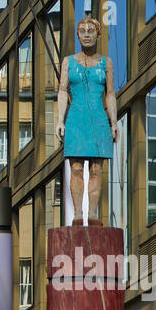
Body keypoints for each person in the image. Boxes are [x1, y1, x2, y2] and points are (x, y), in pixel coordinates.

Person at [55, 15, 119, 225]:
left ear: (98, 34)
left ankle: (92, 214)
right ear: (78, 35)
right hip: (76, 119)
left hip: (99, 120)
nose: (87, 35)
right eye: (82, 31)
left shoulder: (106, 63)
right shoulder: (68, 62)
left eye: (90, 31)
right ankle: (77, 215)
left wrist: (114, 121)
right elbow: (63, 90)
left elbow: (110, 94)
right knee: (75, 168)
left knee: (96, 168)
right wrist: (59, 121)